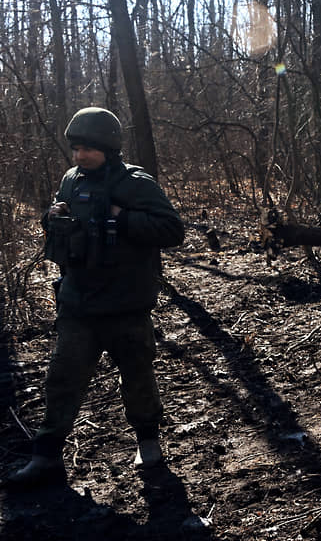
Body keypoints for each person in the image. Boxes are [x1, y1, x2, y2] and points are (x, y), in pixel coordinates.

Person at [6, 107, 185, 487]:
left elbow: (172, 230)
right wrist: (50, 216)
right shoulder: (71, 180)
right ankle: (46, 456)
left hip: (125, 306)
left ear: (109, 147)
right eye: (75, 148)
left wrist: (122, 218)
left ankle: (148, 442)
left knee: (138, 378)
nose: (79, 156)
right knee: (62, 380)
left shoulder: (135, 182)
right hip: (78, 304)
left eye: (88, 148)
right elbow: (61, 220)